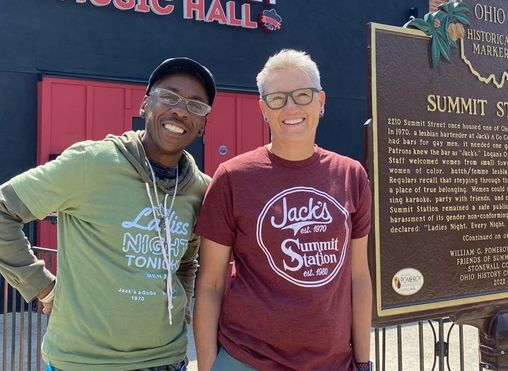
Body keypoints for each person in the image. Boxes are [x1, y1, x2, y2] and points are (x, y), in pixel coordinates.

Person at [0, 57, 216, 370]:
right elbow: (4, 208)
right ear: (144, 105)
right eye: (169, 96)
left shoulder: (200, 190)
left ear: (203, 123)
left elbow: (186, 260)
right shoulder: (92, 163)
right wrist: (41, 287)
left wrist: (179, 310)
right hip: (83, 362)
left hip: (168, 361)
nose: (180, 110)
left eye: (196, 105)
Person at [193, 49, 373, 371]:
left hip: (332, 363)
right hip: (247, 360)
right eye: (277, 99)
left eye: (303, 95)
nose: (291, 107)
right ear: (264, 109)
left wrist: (363, 362)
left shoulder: (351, 175)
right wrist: (208, 366)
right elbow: (210, 284)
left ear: (321, 101)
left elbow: (358, 277)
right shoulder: (233, 177)